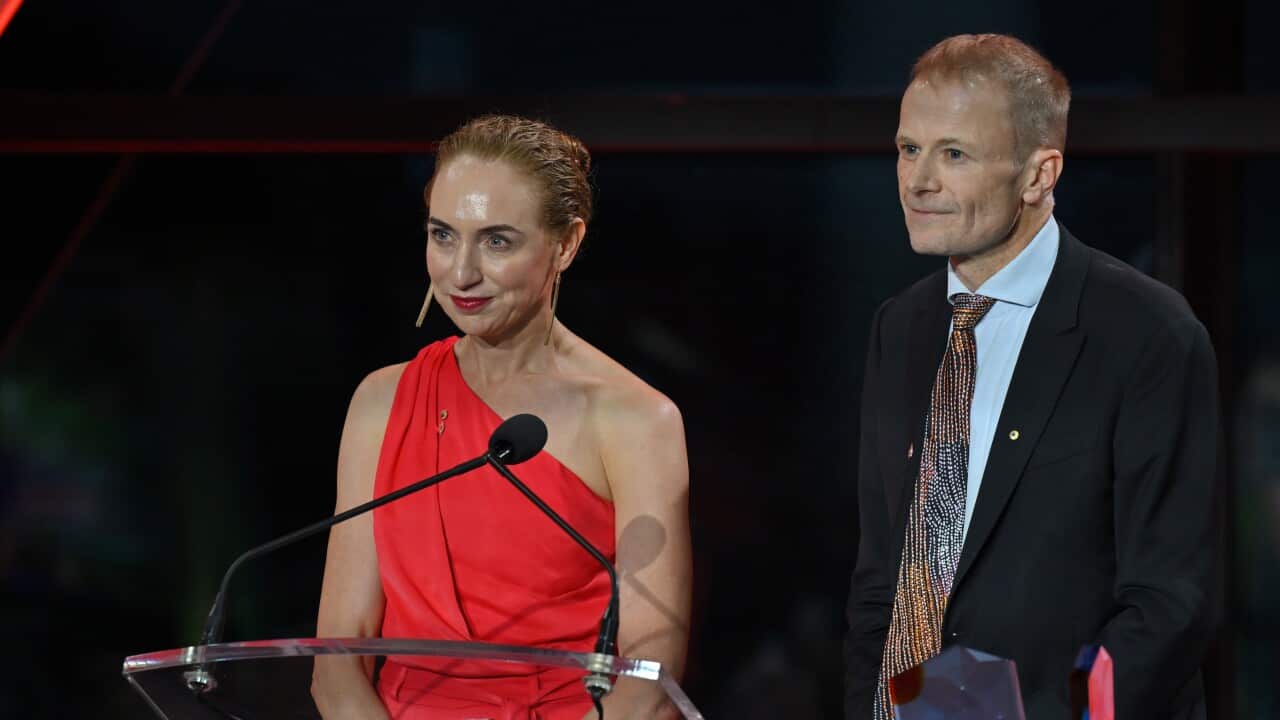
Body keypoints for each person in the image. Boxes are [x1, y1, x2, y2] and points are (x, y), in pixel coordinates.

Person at [844, 34, 1220, 719]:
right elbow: (883, 579)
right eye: (908, 148)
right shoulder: (899, 328)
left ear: (1039, 175)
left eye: (954, 154)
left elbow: (1168, 605)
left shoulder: (1146, 333)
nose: (918, 180)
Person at [312, 115, 692, 719]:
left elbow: (649, 683)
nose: (461, 272)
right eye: (443, 235)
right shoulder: (381, 402)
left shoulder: (636, 419)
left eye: (496, 241)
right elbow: (337, 665)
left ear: (565, 244)